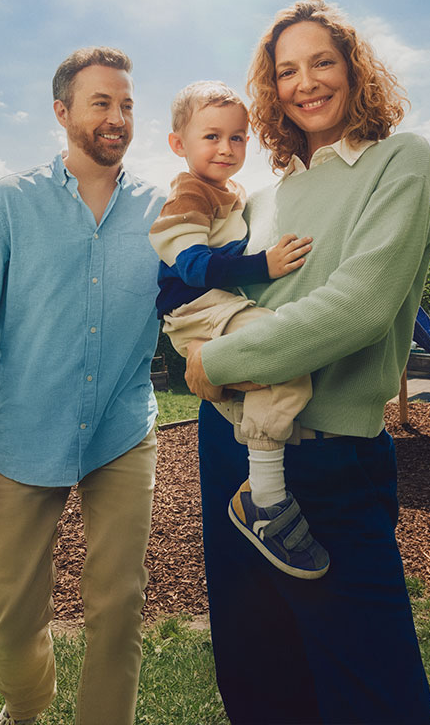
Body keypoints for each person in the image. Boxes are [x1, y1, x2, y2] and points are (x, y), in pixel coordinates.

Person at [185, 0, 430, 724]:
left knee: (376, 697)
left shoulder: (400, 159)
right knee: (258, 682)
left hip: (330, 461)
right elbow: (206, 292)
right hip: (228, 452)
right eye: (286, 70)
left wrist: (224, 357)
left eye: (322, 61)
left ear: (356, 71)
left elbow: (358, 307)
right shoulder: (263, 198)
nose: (306, 82)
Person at [0, 47, 164, 725]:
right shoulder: (8, 202)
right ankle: (27, 708)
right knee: (10, 614)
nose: (117, 117)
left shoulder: (164, 209)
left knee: (118, 605)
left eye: (126, 105)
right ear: (62, 111)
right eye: (102, 103)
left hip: (123, 431)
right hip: (25, 433)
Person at [149, 80, 328, 578]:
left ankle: (234, 404)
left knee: (271, 372)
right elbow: (193, 266)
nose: (226, 148)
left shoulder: (231, 192)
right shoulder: (189, 192)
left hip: (216, 307)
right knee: (285, 357)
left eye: (238, 137)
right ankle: (264, 498)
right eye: (211, 137)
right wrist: (262, 265)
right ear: (178, 144)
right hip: (198, 308)